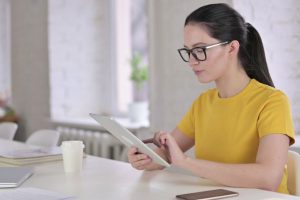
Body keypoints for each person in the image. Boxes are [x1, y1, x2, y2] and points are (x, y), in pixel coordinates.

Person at [127, 3, 295, 194]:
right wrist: (148, 158)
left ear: (231, 48)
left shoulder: (272, 102)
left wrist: (186, 162)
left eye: (200, 50)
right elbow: (167, 153)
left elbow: (268, 179)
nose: (191, 61)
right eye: (188, 51)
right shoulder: (203, 103)